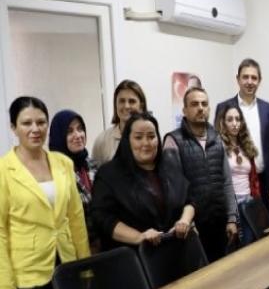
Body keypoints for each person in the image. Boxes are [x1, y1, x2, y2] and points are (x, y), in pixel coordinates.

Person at [0, 97, 90, 289]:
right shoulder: (4, 170)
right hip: (28, 272)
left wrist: (86, 266)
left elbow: (76, 218)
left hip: (66, 263)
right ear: (13, 127)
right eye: (26, 123)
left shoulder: (63, 162)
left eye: (41, 122)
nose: (35, 129)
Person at [91, 112, 195, 250]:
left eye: (151, 136)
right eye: (138, 137)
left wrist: (184, 221)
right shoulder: (109, 175)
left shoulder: (170, 165)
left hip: (175, 251)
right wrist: (139, 237)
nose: (146, 143)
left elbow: (189, 200)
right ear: (127, 141)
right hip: (132, 256)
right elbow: (102, 218)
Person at [164, 87, 238, 262]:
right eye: (194, 104)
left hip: (219, 223)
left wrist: (232, 218)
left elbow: (227, 182)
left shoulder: (217, 138)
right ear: (184, 110)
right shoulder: (173, 141)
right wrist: (187, 221)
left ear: (209, 109)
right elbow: (173, 192)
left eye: (204, 104)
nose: (200, 108)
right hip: (192, 228)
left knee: (223, 270)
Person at [214, 58, 269, 213]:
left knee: (263, 225)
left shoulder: (267, 108)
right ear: (238, 79)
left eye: (254, 78)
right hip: (235, 183)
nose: (250, 82)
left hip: (263, 181)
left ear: (259, 81)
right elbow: (217, 148)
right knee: (237, 226)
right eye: (245, 77)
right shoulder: (224, 107)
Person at [48, 109, 100, 252]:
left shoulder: (92, 164)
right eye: (69, 131)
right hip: (71, 249)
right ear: (59, 136)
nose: (78, 135)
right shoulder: (52, 172)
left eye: (80, 129)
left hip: (101, 245)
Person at [216, 104, 262, 246]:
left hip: (248, 202)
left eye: (238, 119)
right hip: (230, 204)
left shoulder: (246, 146)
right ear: (223, 123)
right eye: (230, 119)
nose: (235, 123)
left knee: (250, 244)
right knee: (233, 245)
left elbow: (254, 179)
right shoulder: (218, 146)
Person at [91, 79, 147, 164]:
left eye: (132, 101)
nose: (126, 106)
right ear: (115, 104)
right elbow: (96, 171)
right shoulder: (102, 141)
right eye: (122, 101)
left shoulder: (150, 138)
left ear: (141, 106)